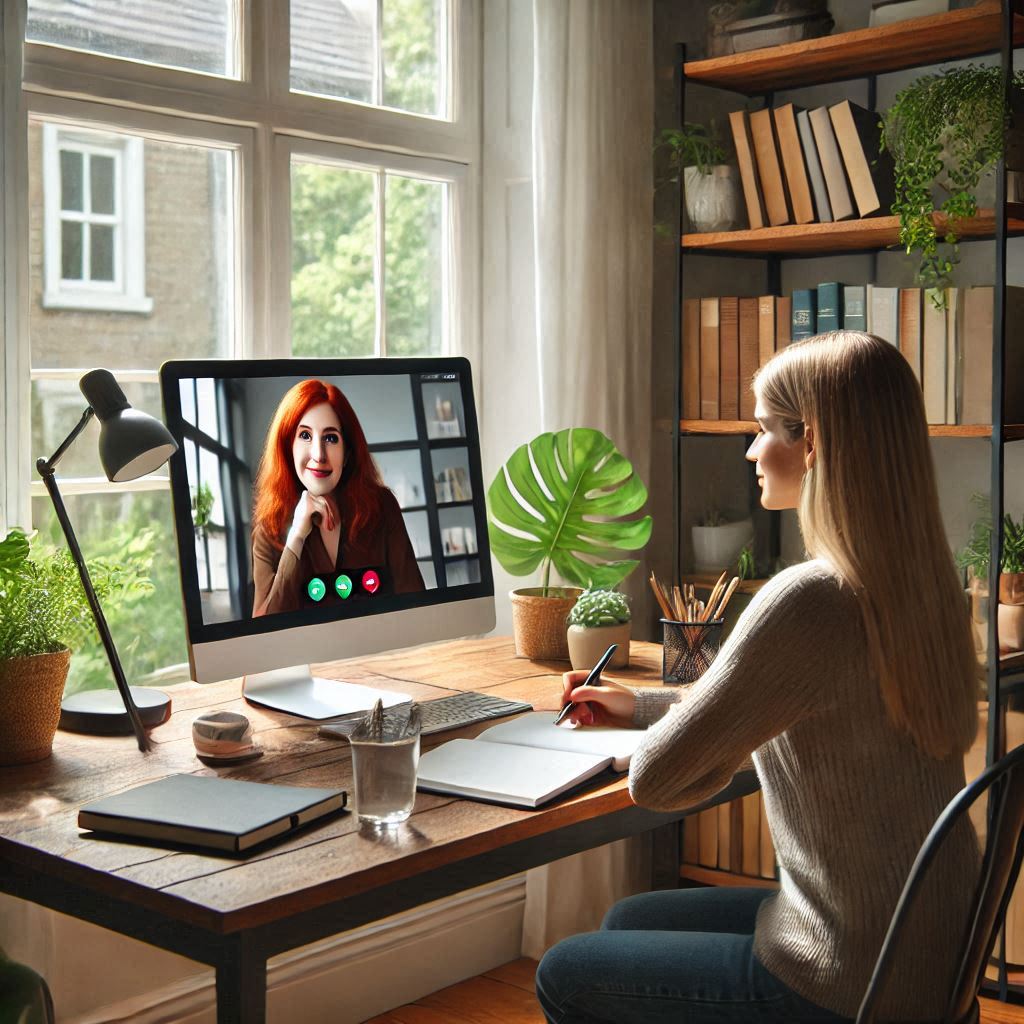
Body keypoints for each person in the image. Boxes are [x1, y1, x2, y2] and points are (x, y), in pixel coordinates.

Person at [537, 331, 981, 1023]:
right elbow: (793, 705)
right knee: (628, 917)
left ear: (815, 443)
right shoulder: (926, 588)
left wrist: (688, 737)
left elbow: (655, 780)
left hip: (844, 980)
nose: (749, 451)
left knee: (565, 972)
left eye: (763, 428)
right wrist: (642, 704)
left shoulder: (809, 601)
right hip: (924, 966)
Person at [251, 378, 423, 616]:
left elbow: (416, 606)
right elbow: (263, 633)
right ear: (287, 446)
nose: (319, 454)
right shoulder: (268, 528)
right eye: (305, 436)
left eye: (331, 438)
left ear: (347, 451)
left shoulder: (382, 507)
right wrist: (296, 538)